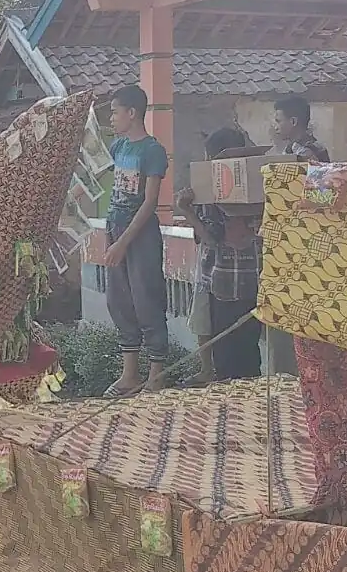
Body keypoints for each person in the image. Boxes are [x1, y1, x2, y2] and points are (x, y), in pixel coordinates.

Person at [177, 128, 263, 386]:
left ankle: (232, 416)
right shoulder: (258, 186)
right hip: (252, 283)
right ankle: (253, 410)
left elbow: (211, 239)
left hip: (223, 282)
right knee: (249, 355)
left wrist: (186, 211)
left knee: (225, 358)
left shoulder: (212, 189)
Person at [101, 85, 170, 397]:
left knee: (147, 299)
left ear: (132, 113)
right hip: (115, 227)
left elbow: (149, 202)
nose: (111, 117)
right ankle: (130, 374)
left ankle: (156, 376)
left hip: (139, 235)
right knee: (119, 300)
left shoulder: (152, 150)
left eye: (115, 111)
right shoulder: (118, 147)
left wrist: (123, 243)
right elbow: (93, 178)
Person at [271, 95, 330, 162]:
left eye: (278, 121)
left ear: (293, 122)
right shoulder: (292, 147)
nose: (275, 127)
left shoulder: (306, 152)